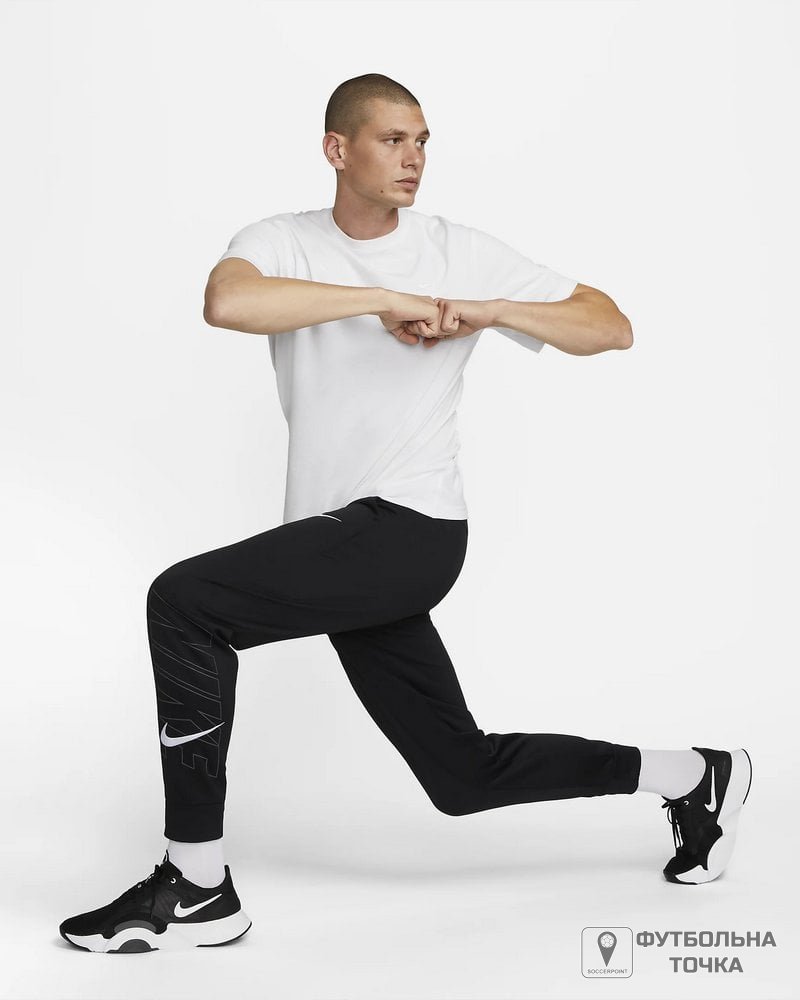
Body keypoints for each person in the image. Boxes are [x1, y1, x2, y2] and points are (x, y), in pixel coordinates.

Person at [59, 74, 752, 954]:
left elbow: (609, 325)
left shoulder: (454, 251)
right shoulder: (281, 240)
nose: (414, 157)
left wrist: (487, 312)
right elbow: (229, 302)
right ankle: (695, 775)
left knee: (185, 603)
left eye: (423, 140)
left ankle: (197, 884)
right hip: (339, 539)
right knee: (462, 775)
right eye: (393, 139)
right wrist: (384, 301)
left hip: (410, 526)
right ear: (336, 148)